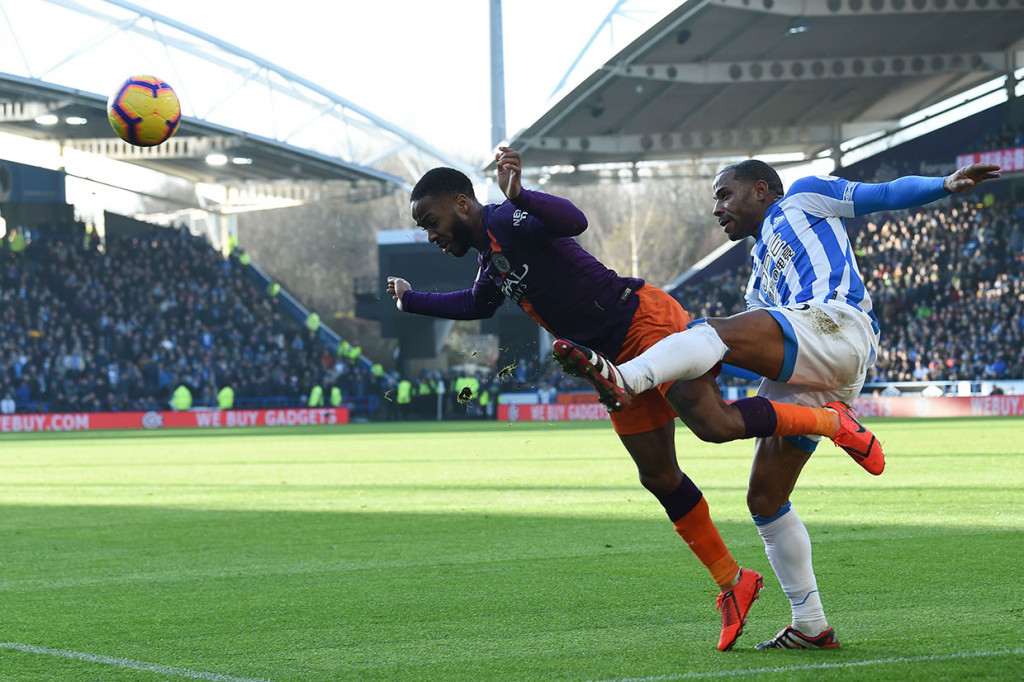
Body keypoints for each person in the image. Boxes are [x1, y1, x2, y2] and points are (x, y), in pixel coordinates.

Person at [386, 147, 880, 651]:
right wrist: (410, 300)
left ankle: (830, 423)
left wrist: (522, 194)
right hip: (608, 361)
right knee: (658, 475)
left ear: (463, 204)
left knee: (713, 424)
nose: (431, 234)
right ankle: (734, 582)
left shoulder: (508, 220)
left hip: (644, 324)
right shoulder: (492, 256)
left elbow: (572, 221)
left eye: (431, 220)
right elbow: (478, 303)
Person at [552, 159, 1002, 649]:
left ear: (761, 190)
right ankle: (811, 624)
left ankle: (626, 380)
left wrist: (943, 184)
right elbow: (743, 350)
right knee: (764, 500)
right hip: (808, 359)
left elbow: (884, 194)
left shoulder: (804, 197)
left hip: (835, 324)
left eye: (725, 195)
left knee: (706, 331)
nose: (717, 208)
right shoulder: (757, 282)